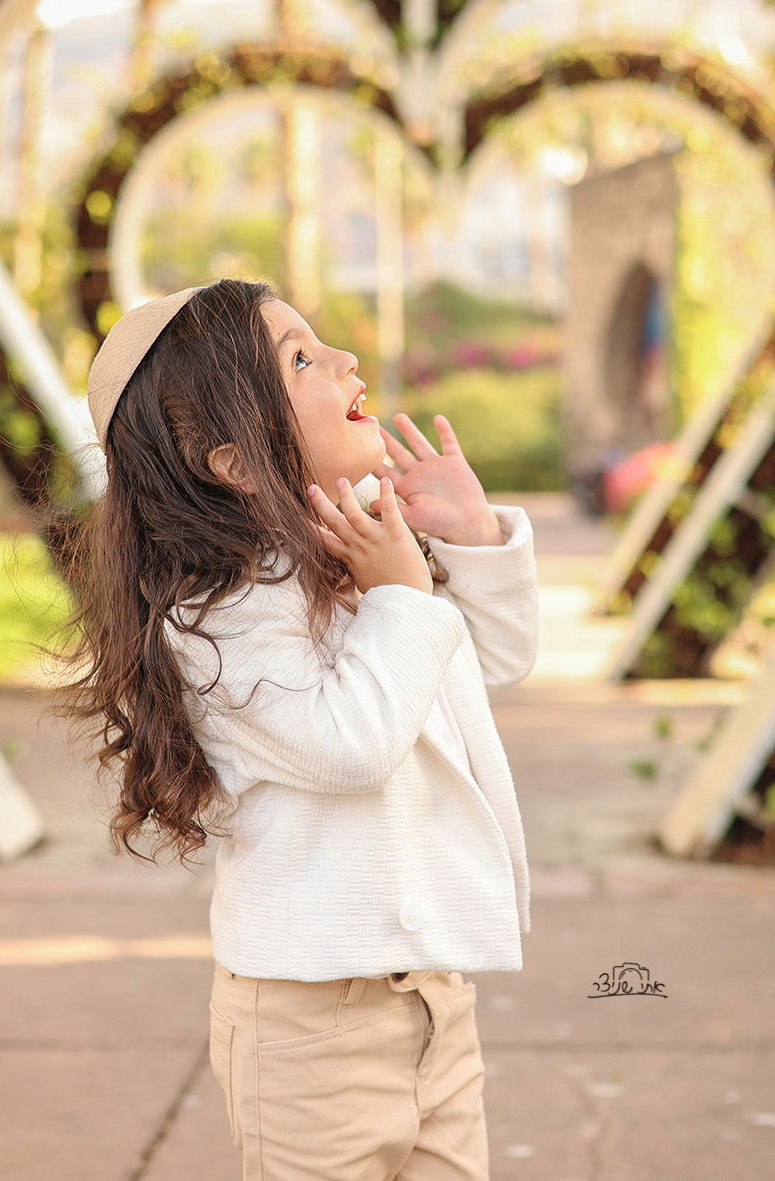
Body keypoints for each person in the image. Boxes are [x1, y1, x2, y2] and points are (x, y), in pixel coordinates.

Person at [44, 277, 539, 1179]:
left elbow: (489, 664)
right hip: (312, 1025)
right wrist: (398, 594)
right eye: (300, 358)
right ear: (231, 459)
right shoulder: (216, 617)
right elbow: (350, 746)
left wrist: (467, 538)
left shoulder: (355, 547)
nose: (345, 359)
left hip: (431, 996)